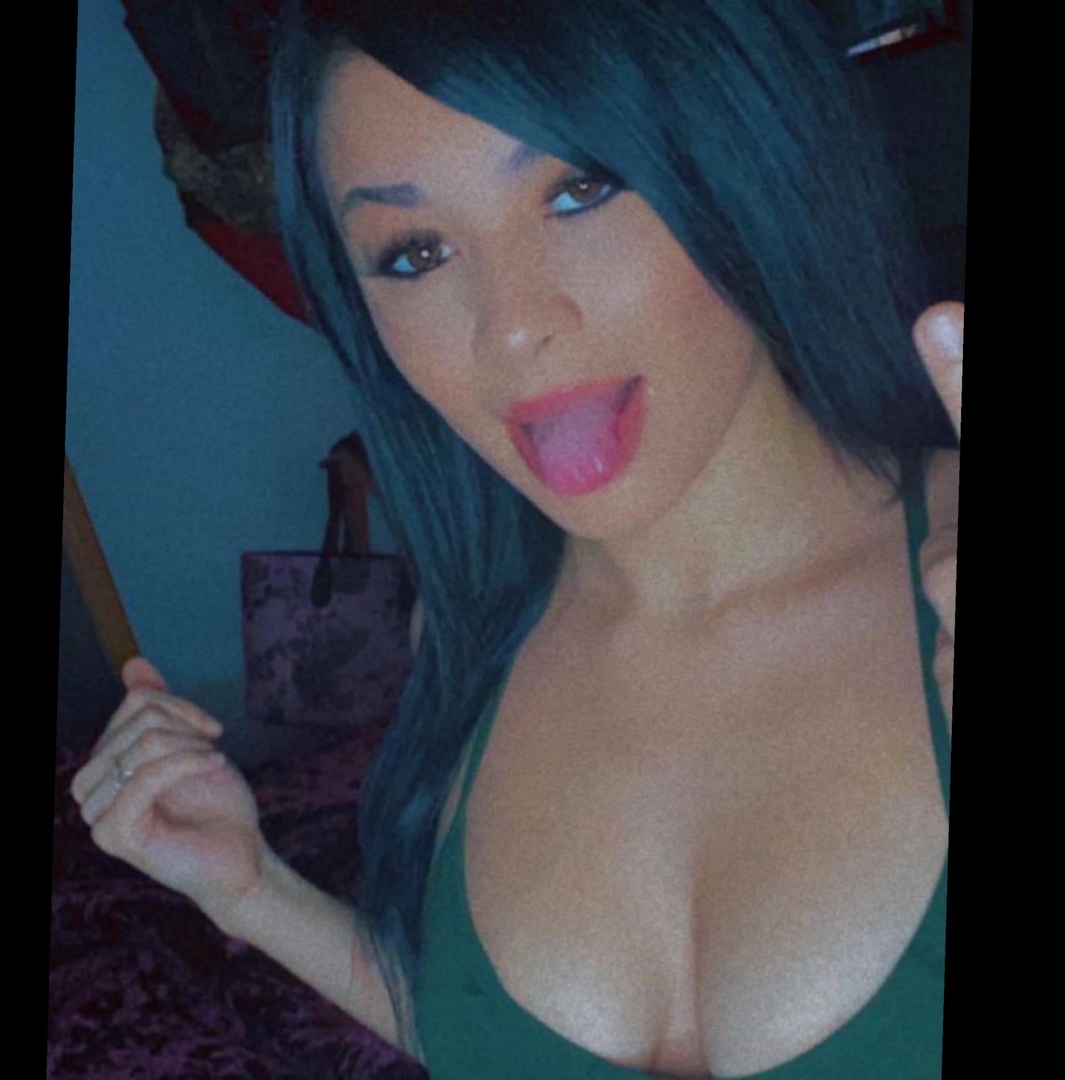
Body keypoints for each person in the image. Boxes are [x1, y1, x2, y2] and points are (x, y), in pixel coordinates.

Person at [72, 1, 961, 1076]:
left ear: (744, 165)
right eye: (415, 253)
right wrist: (251, 891)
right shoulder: (471, 625)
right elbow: (486, 1041)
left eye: (579, 191)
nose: (512, 325)